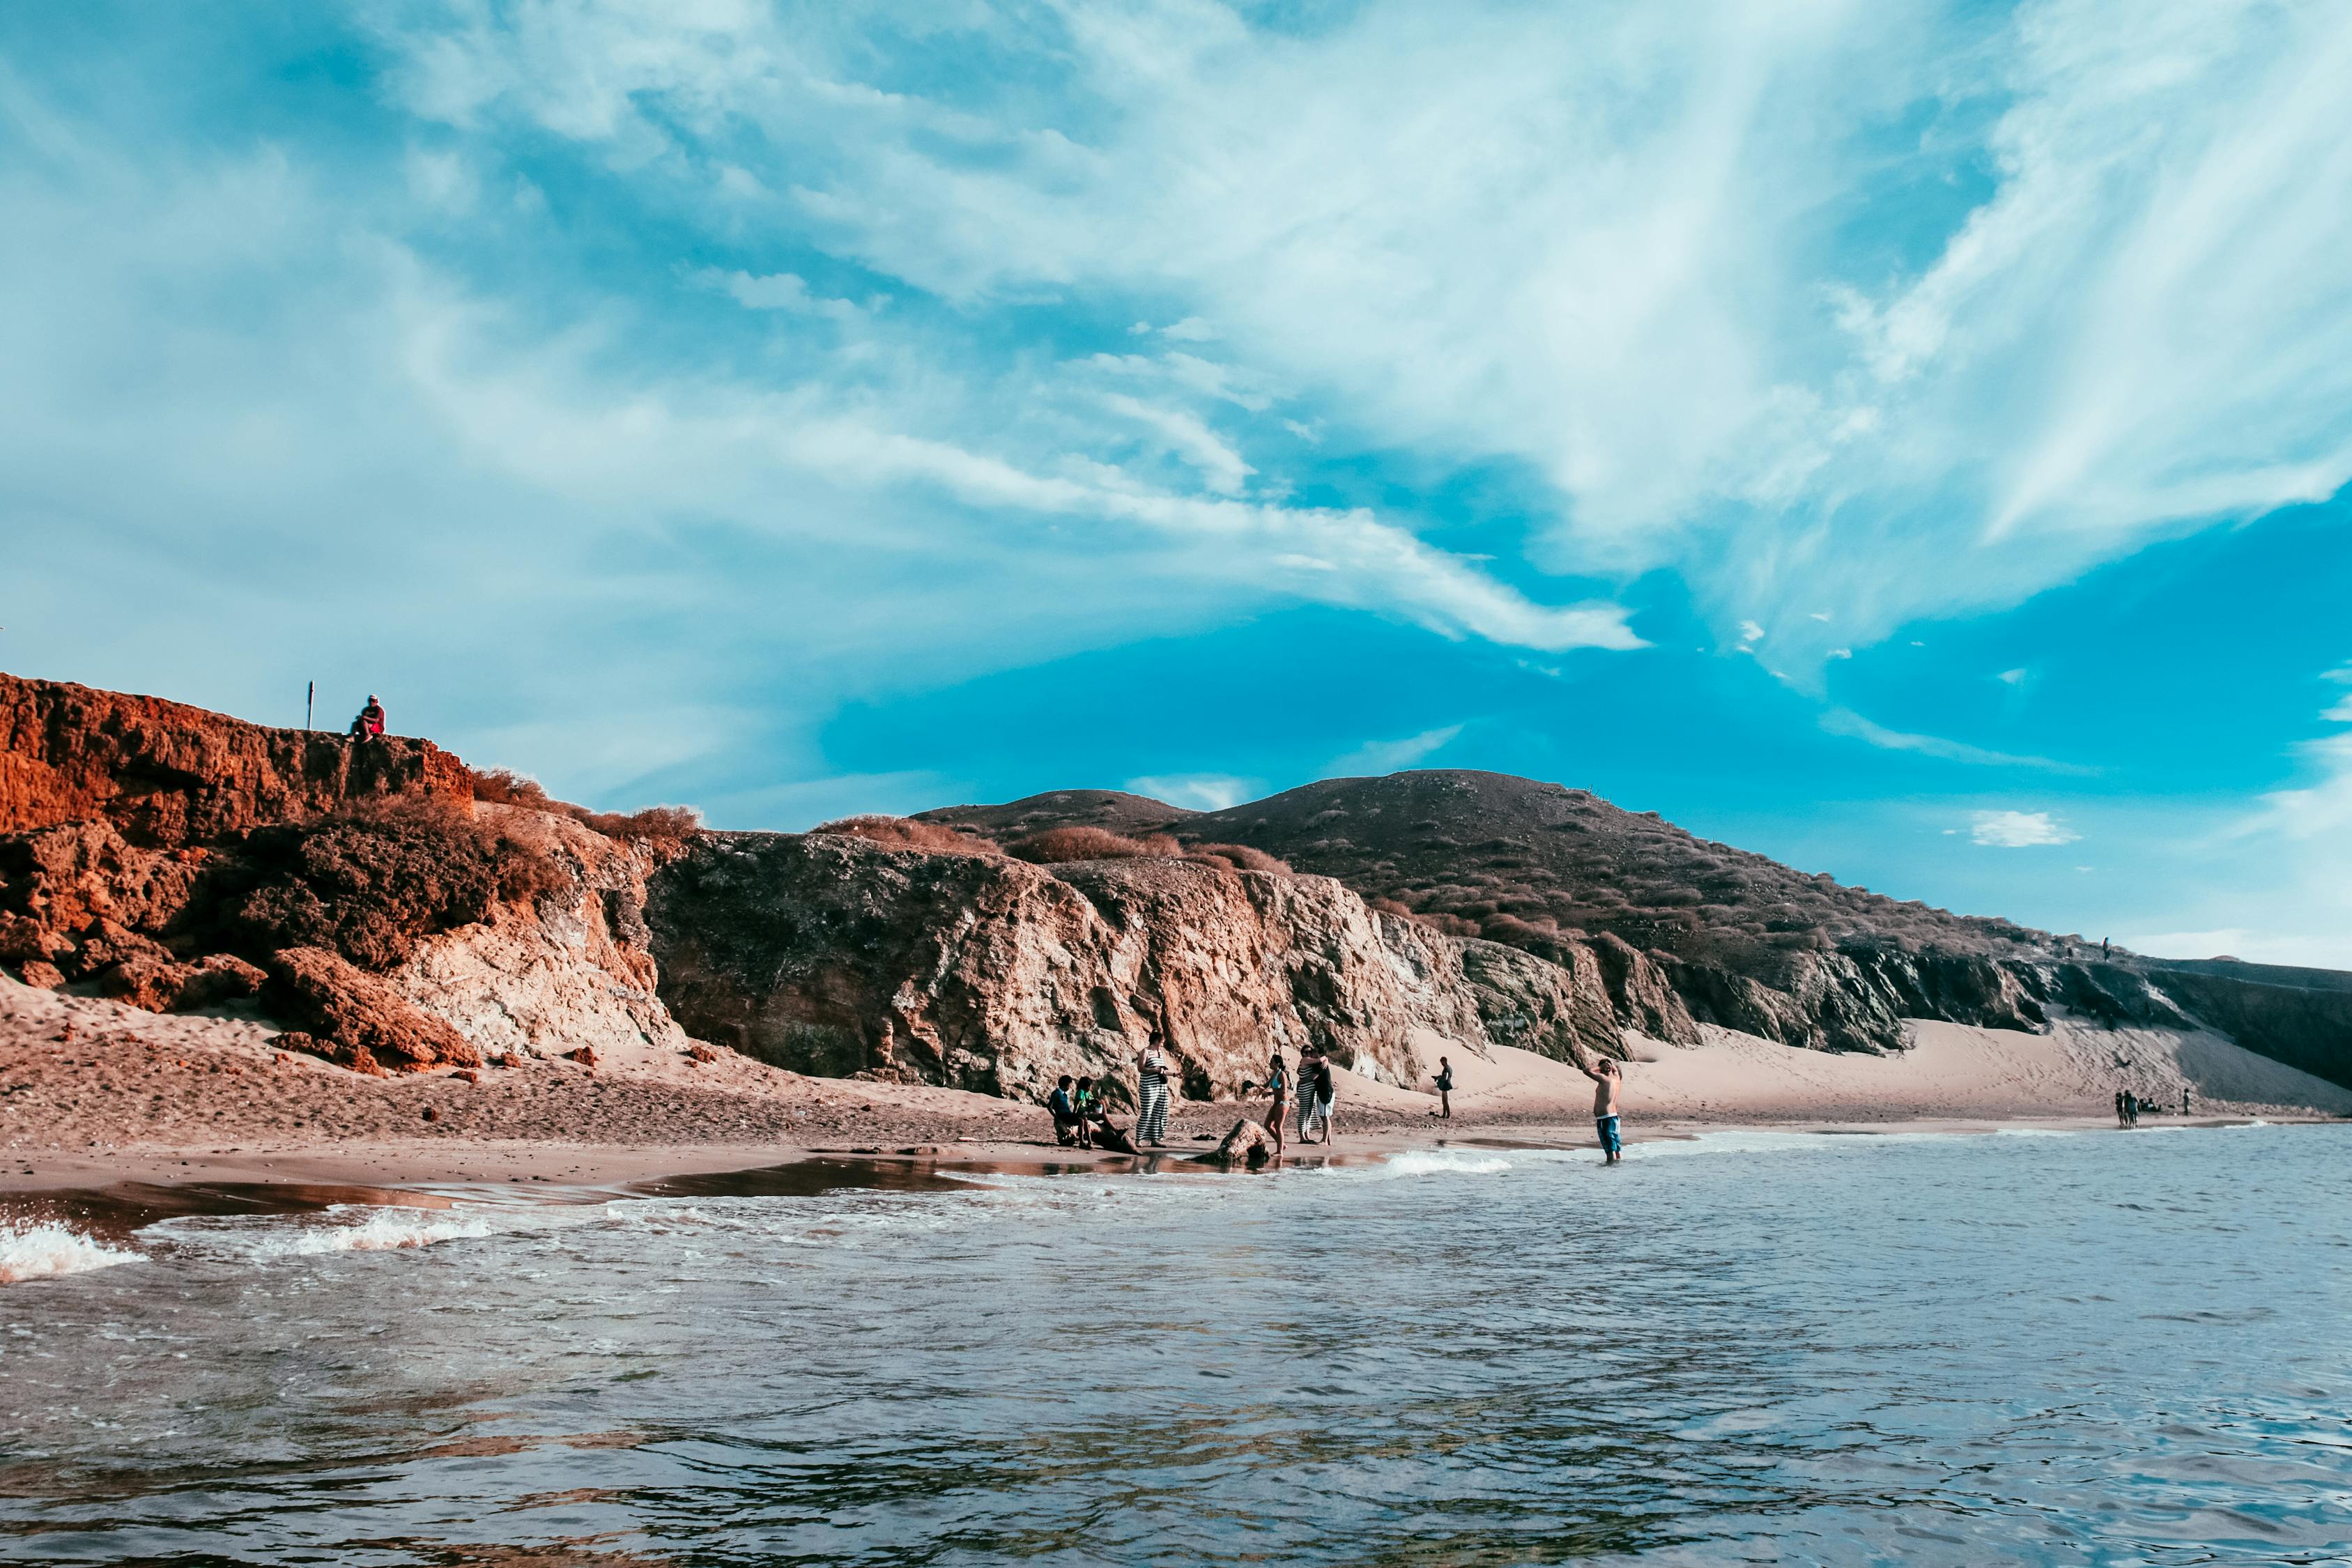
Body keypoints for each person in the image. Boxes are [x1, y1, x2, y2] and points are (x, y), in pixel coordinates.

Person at [1576, 1052, 1624, 1163]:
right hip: (1614, 1118)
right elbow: (1617, 1070)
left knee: (1610, 1149)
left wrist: (1599, 1066)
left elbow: (1586, 1071)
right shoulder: (1617, 1078)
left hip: (1605, 1119)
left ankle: (1609, 1172)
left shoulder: (1604, 1079)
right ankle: (1618, 1169)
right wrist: (1611, 1065)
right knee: (1616, 1148)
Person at [1134, 1041, 1172, 1148]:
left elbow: (1162, 1070)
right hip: (1148, 1086)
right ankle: (1138, 1139)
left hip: (1160, 1087)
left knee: (1159, 1113)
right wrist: (1155, 1070)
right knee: (1147, 1113)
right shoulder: (1145, 1052)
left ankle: (1154, 1140)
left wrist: (1174, 1074)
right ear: (1156, 1041)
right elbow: (1140, 1069)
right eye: (1162, 1042)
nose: (1163, 1045)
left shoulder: (1160, 1052)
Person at [1259, 1048, 1291, 1159]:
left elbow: (1284, 1091)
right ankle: (1282, 1145)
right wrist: (1253, 1085)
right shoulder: (1274, 1074)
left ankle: (1280, 1151)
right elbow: (1265, 1086)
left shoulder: (1282, 1075)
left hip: (1283, 1103)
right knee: (1267, 1125)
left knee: (1278, 1127)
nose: (1270, 1063)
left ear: (1278, 1064)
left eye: (1272, 1062)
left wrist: (1270, 1093)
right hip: (1276, 1103)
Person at [1300, 1050, 1336, 1144]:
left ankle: (1324, 1140)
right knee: (1326, 1117)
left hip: (1325, 1093)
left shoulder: (1321, 1064)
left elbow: (1313, 1077)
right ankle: (1328, 1140)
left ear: (1320, 1054)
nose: (1311, 1054)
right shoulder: (1317, 1063)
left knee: (1325, 1117)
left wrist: (1301, 1082)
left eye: (1314, 1052)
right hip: (1324, 1092)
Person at [1047, 1075, 1084, 1147]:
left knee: (1084, 1119)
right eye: (1069, 1086)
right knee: (1081, 1121)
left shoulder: (1064, 1095)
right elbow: (1049, 1107)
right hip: (1062, 1115)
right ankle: (1082, 1142)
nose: (1070, 1088)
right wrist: (1056, 1116)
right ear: (1065, 1085)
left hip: (1067, 1114)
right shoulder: (1056, 1093)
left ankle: (1083, 1139)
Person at [1431, 1054, 1454, 1119]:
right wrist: (1438, 1077)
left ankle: (1448, 1115)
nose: (1441, 1064)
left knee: (1445, 1101)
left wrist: (1440, 1080)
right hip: (1447, 1084)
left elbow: (1445, 1077)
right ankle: (1444, 1114)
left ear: (1444, 1061)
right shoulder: (1449, 1067)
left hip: (1446, 1085)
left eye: (1441, 1062)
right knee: (1444, 1100)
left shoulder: (1446, 1068)